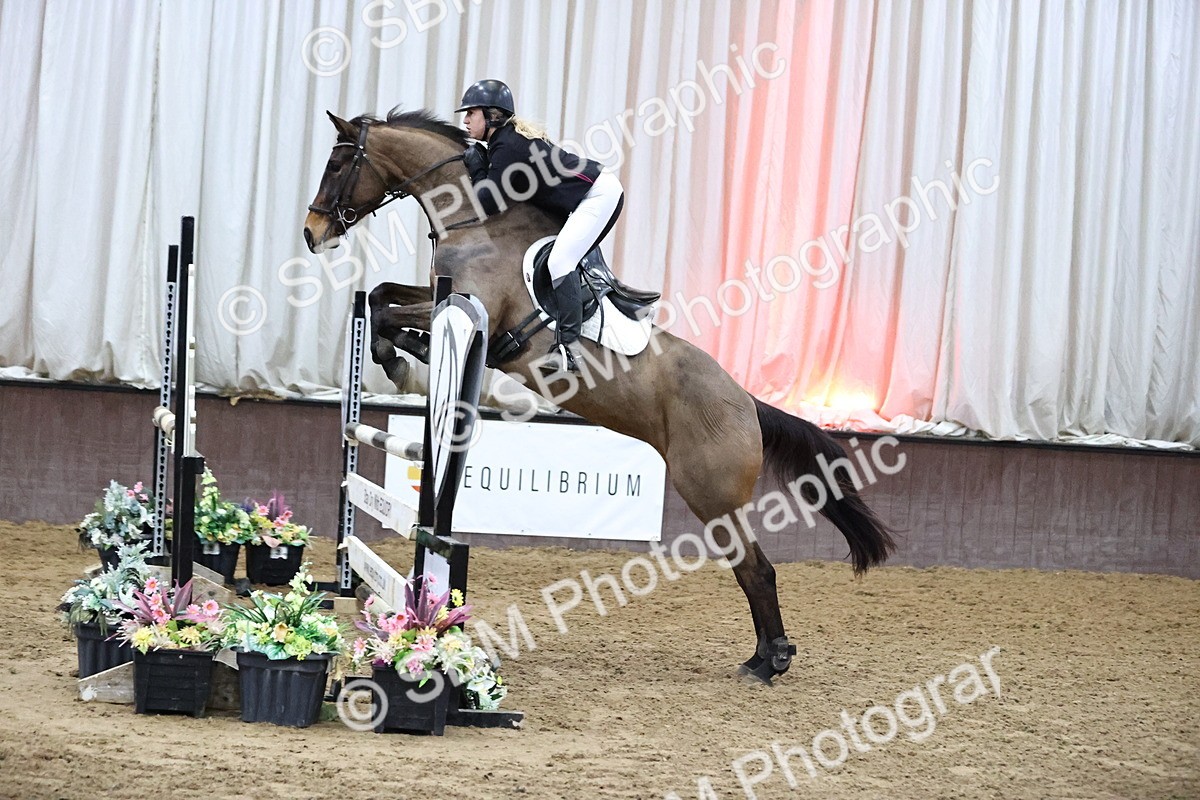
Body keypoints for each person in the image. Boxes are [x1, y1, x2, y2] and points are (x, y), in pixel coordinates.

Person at [457, 79, 624, 374]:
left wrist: (477, 168)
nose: (466, 120)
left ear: (492, 115)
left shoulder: (507, 146)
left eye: (471, 113)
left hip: (599, 195)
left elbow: (487, 203)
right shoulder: (504, 141)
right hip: (587, 194)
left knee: (560, 262)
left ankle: (571, 352)